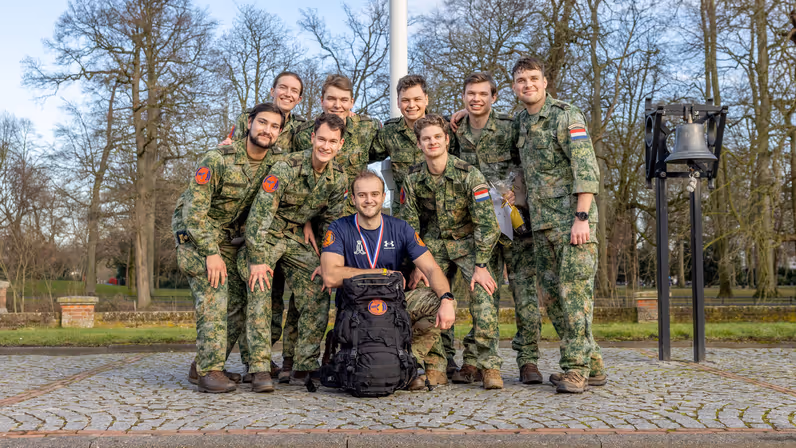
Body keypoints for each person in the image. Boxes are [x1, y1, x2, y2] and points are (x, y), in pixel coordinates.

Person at [172, 102, 285, 393]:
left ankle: (204, 366)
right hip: (196, 236)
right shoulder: (218, 158)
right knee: (215, 290)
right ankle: (210, 373)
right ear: (249, 123)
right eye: (262, 123)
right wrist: (210, 252)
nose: (267, 130)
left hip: (227, 239)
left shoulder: (275, 164)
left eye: (274, 126)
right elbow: (194, 213)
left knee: (237, 301)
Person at [511, 56, 606, 393]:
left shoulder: (567, 115)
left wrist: (582, 217)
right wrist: (461, 117)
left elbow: (586, 168)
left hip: (572, 224)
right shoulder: (520, 122)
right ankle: (593, 364)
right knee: (553, 299)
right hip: (542, 227)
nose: (528, 85)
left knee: (575, 297)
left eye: (534, 78)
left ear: (545, 81)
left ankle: (576, 369)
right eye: (521, 80)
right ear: (514, 87)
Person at [240, 112, 348, 393]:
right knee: (260, 290)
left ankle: (303, 365)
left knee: (318, 287)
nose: (326, 146)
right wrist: (257, 261)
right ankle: (259, 368)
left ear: (340, 145)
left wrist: (327, 263)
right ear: (313, 138)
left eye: (332, 142)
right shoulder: (285, 167)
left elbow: (331, 227)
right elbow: (258, 218)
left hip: (297, 238)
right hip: (266, 236)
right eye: (321, 139)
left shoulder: (338, 180)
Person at [320, 170, 457, 389]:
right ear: (353, 199)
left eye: (374, 194)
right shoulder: (339, 228)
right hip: (355, 311)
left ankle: (405, 362)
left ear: (384, 197)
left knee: (437, 301)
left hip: (394, 308)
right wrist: (383, 274)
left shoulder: (400, 228)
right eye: (362, 195)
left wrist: (447, 299)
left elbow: (432, 269)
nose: (369, 200)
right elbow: (330, 276)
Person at [449, 72, 543, 385]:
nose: (476, 99)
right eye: (470, 94)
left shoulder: (510, 125)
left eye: (482, 94)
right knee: (482, 296)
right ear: (463, 97)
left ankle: (528, 360)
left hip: (515, 222)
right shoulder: (455, 131)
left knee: (525, 294)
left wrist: (517, 189)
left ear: (494, 97)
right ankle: (475, 360)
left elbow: (529, 159)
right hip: (478, 228)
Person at [401, 114, 504, 389]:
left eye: (437, 137)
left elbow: (487, 223)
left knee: (484, 296)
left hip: (469, 242)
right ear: (419, 144)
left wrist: (481, 264)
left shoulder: (469, 174)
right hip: (432, 245)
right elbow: (409, 227)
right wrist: (416, 266)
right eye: (426, 139)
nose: (432, 142)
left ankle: (488, 365)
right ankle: (437, 363)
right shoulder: (412, 179)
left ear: (447, 139)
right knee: (428, 294)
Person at [221, 71, 308, 383]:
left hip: (284, 224)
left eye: (293, 90)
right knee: (245, 299)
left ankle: (268, 361)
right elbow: (229, 157)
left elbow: (311, 168)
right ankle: (218, 363)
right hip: (246, 227)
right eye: (282, 87)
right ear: (273, 90)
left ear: (299, 98)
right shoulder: (252, 119)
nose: (286, 93)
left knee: (276, 299)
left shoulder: (303, 129)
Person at [293, 74, 381, 214]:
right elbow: (296, 181)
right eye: (331, 99)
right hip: (318, 216)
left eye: (344, 100)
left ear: (352, 103)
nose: (337, 105)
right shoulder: (303, 135)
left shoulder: (368, 128)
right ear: (322, 101)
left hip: (356, 215)